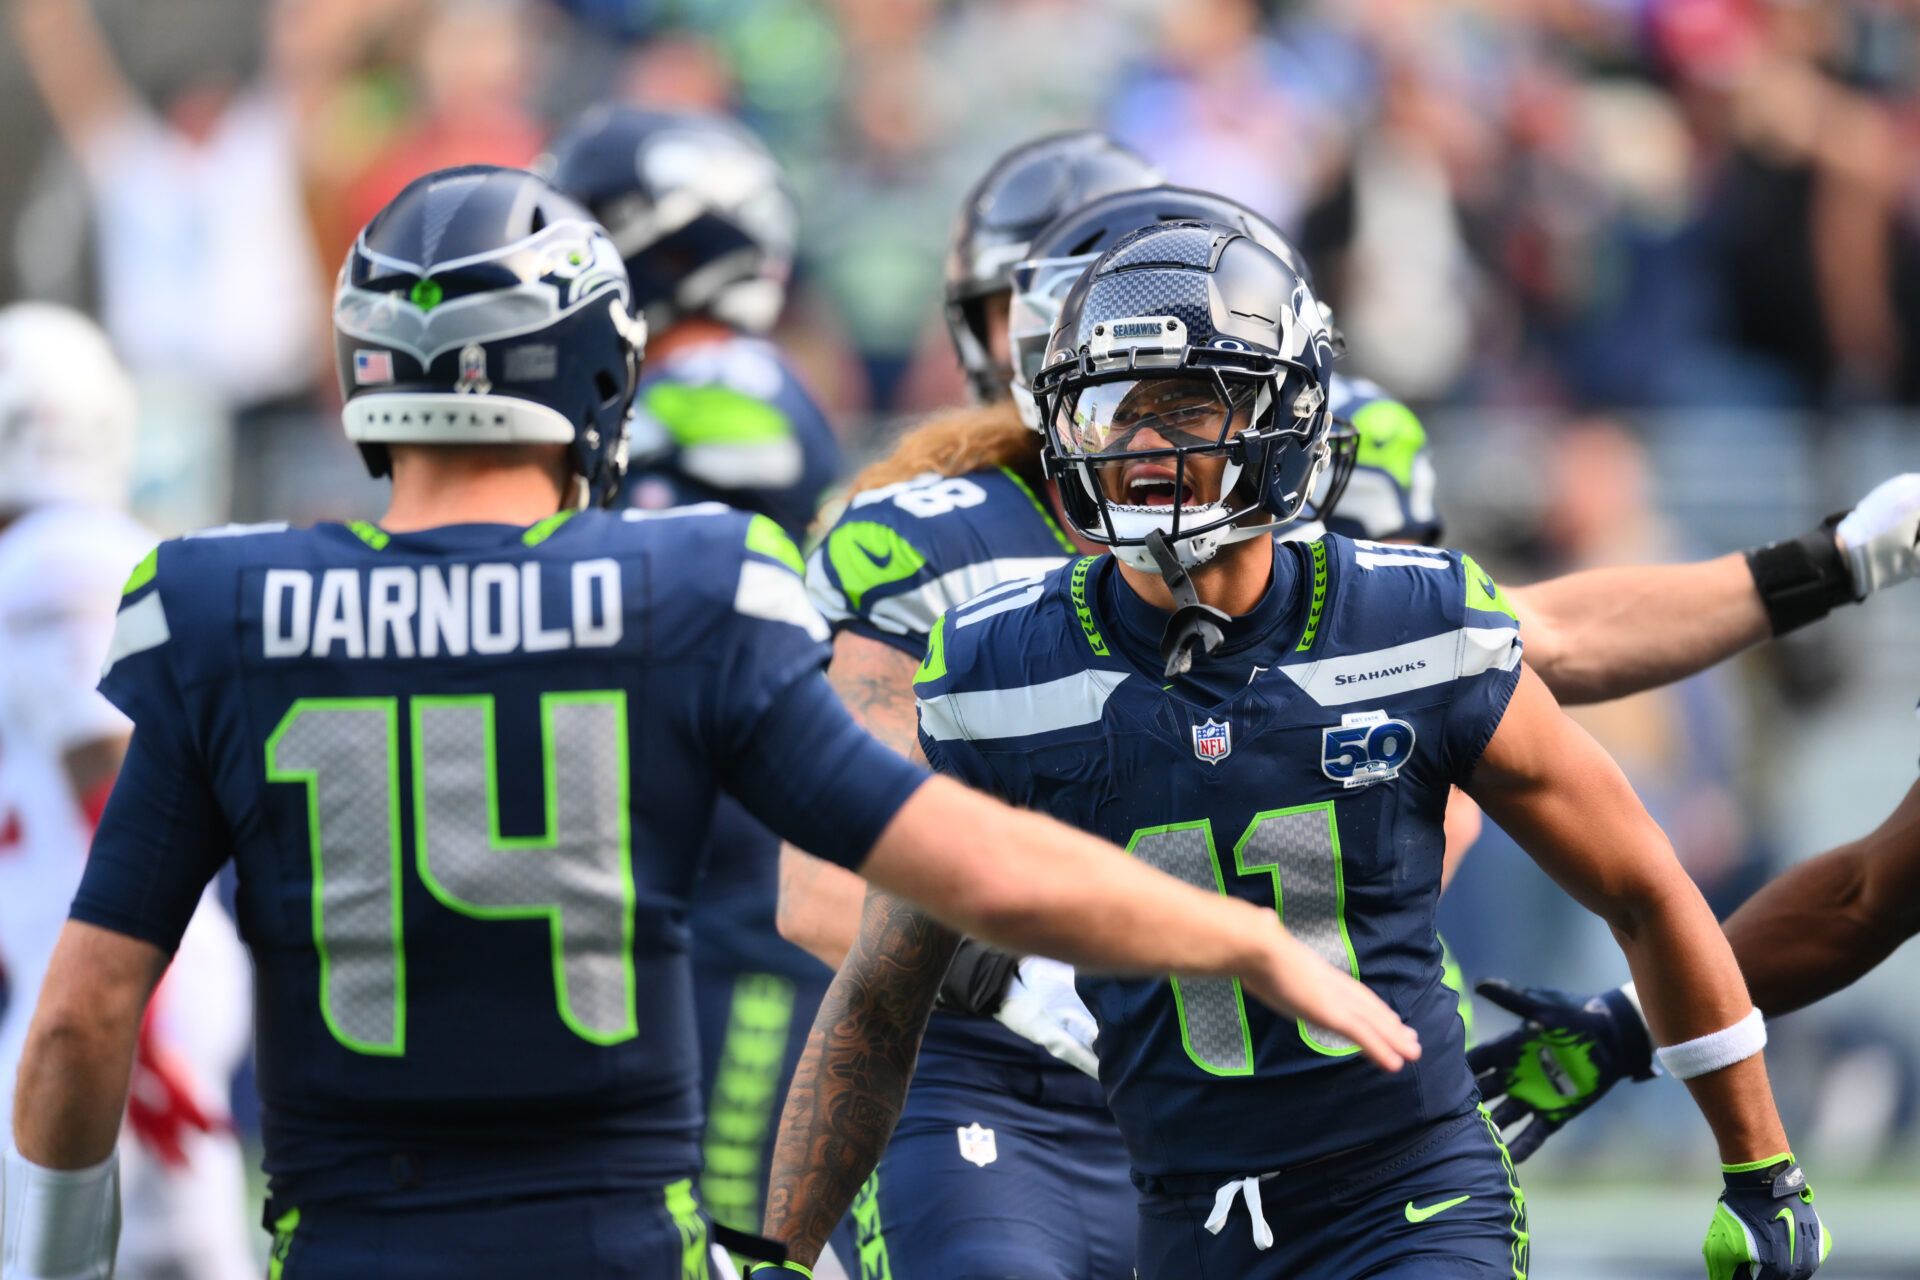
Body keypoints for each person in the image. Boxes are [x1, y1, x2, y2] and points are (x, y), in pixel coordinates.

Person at [0, 166, 1416, 1280]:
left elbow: (77, 1026)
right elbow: (958, 865)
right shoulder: (681, 590)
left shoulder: (220, 608)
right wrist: (1235, 933)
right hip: (617, 1241)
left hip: (357, 1241)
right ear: (592, 376)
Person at [776, 164, 1920, 1280]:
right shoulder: (980, 634)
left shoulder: (1400, 613)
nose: (1147, 449)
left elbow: (1571, 693)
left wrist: (1824, 564)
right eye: (1120, 408)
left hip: (1397, 1175)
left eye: (1189, 403)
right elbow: (858, 932)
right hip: (1122, 1151)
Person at [543, 104, 846, 1245]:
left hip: (737, 871)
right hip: (697, 856)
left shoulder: (714, 384)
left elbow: (642, 598)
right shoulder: (718, 380)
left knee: (732, 1225)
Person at [0, 304, 256, 1280]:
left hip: (114, 980)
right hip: (115, 978)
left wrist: (130, 1027)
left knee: (129, 1255)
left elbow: (112, 790)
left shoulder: (56, 559)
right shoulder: (83, 548)